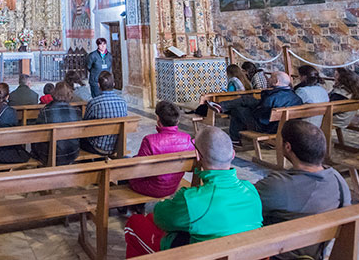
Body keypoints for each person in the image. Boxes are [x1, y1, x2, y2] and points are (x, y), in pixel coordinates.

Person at [124, 126, 262, 256]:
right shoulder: (251, 190)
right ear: (233, 154)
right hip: (245, 254)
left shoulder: (193, 199)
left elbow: (161, 218)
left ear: (197, 155)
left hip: (204, 255)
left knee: (134, 223)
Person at [255, 120, 351, 260]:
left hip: (277, 255)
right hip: (314, 252)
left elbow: (241, 204)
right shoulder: (338, 180)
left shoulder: (278, 185)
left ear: (287, 147)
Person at [206, 71, 303, 143]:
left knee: (238, 109)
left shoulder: (272, 97)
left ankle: (235, 139)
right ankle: (222, 107)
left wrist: (251, 109)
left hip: (267, 128)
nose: (268, 79)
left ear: (276, 81)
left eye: (271, 77)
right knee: (247, 100)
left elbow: (260, 116)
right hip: (283, 126)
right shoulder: (296, 97)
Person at [129, 101, 195, 198]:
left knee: (126, 169)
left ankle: (134, 206)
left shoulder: (149, 140)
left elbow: (140, 168)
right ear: (177, 121)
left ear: (158, 120)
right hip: (173, 185)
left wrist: (133, 159)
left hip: (151, 186)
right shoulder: (186, 139)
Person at [31, 81, 82, 166]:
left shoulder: (46, 111)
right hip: (72, 153)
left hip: (50, 155)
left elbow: (37, 135)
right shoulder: (76, 111)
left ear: (54, 92)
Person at [81, 71, 127, 155]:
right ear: (113, 84)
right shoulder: (123, 102)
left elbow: (85, 124)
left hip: (98, 147)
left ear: (98, 85)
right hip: (117, 146)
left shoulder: (94, 103)